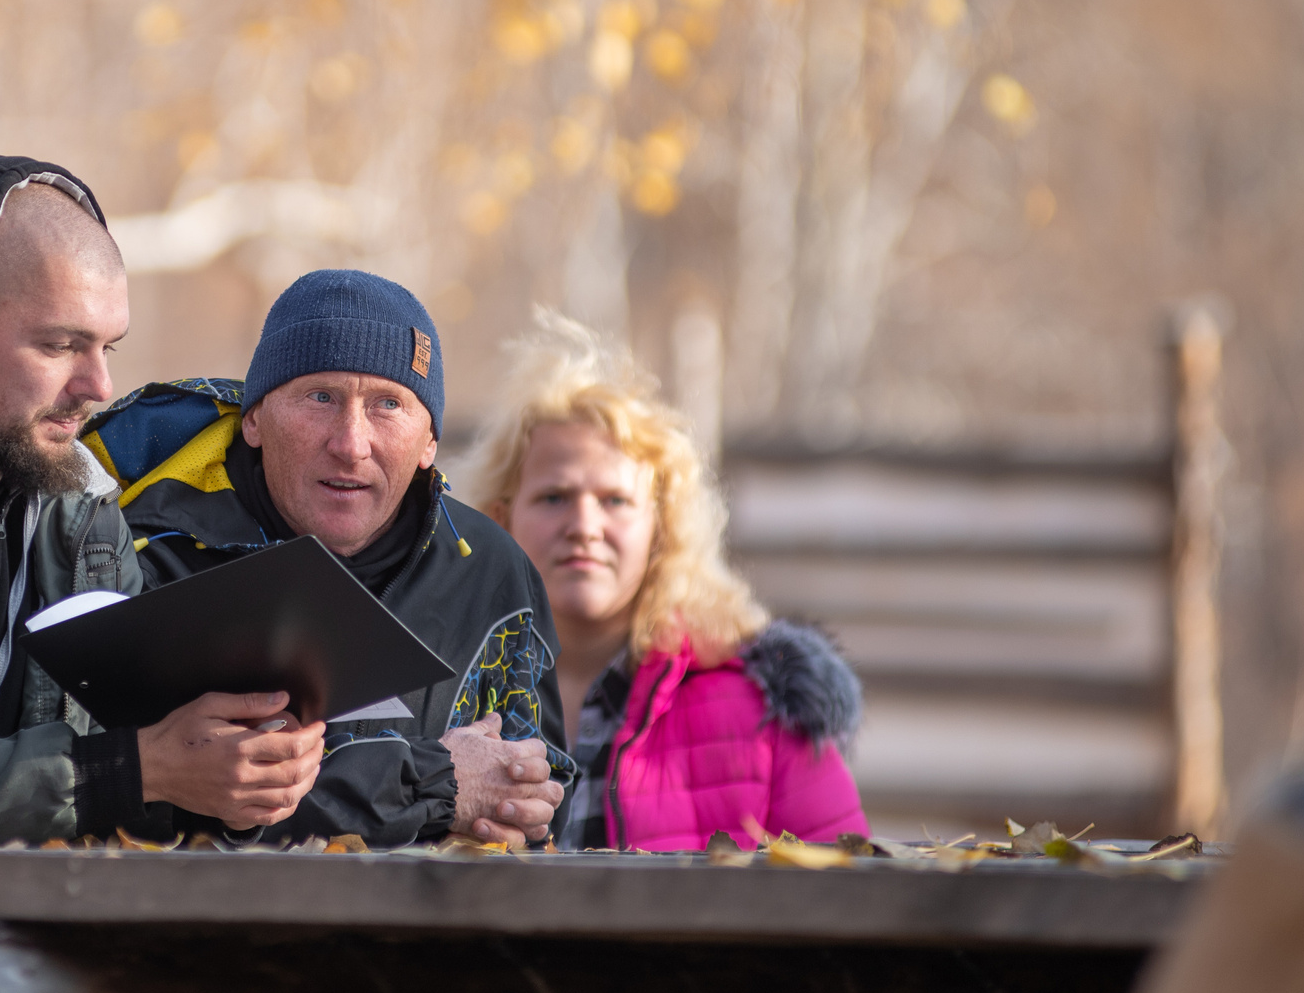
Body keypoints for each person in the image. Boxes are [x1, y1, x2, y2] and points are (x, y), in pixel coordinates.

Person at [0, 155, 323, 844]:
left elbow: (139, 760)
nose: (99, 385)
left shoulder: (86, 512)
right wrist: (133, 771)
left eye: (110, 345)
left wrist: (232, 780)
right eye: (61, 344)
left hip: (35, 930)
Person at [86, 270, 571, 849]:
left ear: (430, 443)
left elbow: (543, 790)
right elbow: (137, 796)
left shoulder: (491, 572)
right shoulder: (148, 554)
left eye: (388, 405)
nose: (350, 443)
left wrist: (520, 807)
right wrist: (434, 785)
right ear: (255, 418)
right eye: (321, 397)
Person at [455, 309, 864, 852]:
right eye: (554, 497)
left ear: (661, 528)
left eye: (615, 501)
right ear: (499, 521)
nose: (584, 526)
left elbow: (843, 897)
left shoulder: (764, 707)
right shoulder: (441, 690)